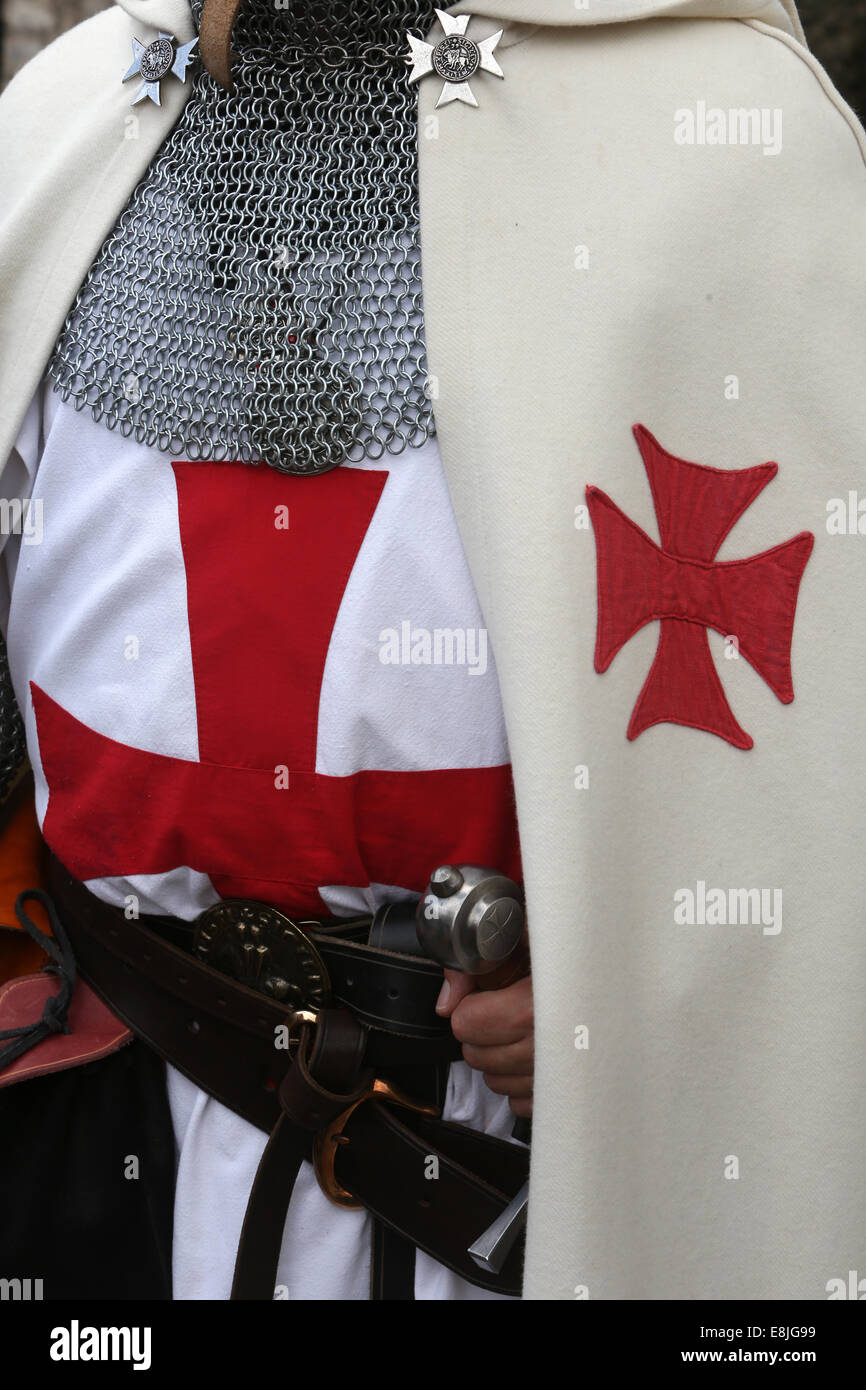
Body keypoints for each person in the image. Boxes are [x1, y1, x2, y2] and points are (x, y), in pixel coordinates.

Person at [0, 0, 864, 1303]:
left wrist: (645, 978)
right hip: (109, 1148)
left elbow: (816, 761)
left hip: (535, 1186)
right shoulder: (68, 124)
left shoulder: (719, 151)